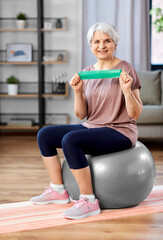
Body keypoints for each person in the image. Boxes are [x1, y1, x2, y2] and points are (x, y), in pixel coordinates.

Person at [31, 22, 143, 219]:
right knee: (45, 135)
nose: (102, 45)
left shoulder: (126, 69)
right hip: (92, 126)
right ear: (90, 45)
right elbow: (81, 115)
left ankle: (89, 200)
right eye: (96, 41)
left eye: (107, 41)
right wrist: (78, 91)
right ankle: (58, 190)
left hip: (120, 131)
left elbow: (135, 114)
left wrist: (126, 90)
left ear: (115, 44)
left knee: (71, 140)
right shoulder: (88, 71)